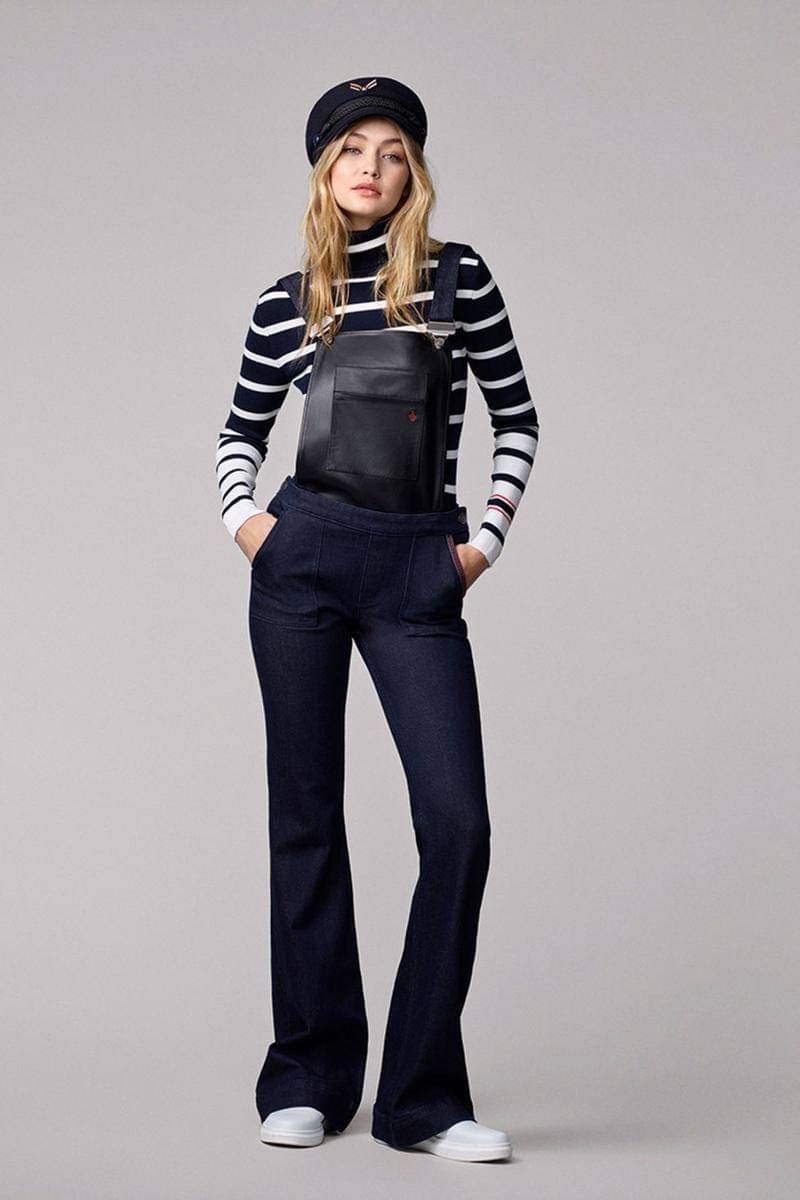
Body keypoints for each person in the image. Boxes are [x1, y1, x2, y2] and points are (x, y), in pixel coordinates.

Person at [215, 76, 539, 1162]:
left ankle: (421, 1100)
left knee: (458, 824)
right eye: (352, 148)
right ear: (325, 169)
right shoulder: (285, 301)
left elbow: (518, 418)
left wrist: (480, 545)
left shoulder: (458, 278)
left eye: (392, 149)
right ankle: (308, 1072)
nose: (372, 166)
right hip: (301, 562)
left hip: (415, 568)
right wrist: (250, 528)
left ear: (414, 171)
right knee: (304, 815)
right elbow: (237, 432)